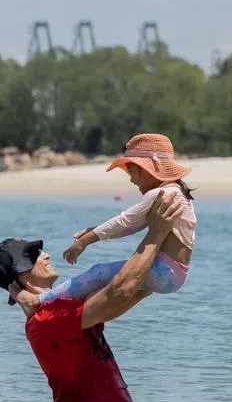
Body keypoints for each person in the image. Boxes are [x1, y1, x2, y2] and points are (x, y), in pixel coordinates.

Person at [0, 190, 185, 402]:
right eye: (35, 256)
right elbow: (117, 293)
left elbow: (120, 299)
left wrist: (155, 275)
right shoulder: (46, 318)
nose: (46, 255)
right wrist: (155, 236)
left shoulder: (57, 308)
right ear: (23, 275)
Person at [14, 133, 196, 314]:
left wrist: (84, 242)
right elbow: (132, 225)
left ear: (149, 169)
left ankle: (39, 301)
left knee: (98, 273)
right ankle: (62, 308)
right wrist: (94, 231)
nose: (131, 180)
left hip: (163, 270)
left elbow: (125, 221)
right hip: (176, 272)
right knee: (103, 284)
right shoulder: (177, 191)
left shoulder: (160, 195)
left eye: (132, 172)